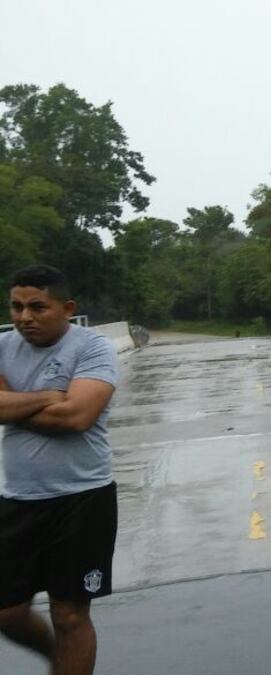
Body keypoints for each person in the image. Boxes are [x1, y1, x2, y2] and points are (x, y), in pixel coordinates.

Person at [0, 265, 120, 675]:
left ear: (67, 309)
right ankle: (62, 660)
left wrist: (13, 405)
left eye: (37, 307)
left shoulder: (93, 348)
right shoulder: (2, 346)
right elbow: (59, 408)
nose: (24, 317)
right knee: (7, 612)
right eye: (16, 307)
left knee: (69, 615)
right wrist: (48, 396)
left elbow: (76, 417)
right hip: (18, 499)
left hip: (82, 499)